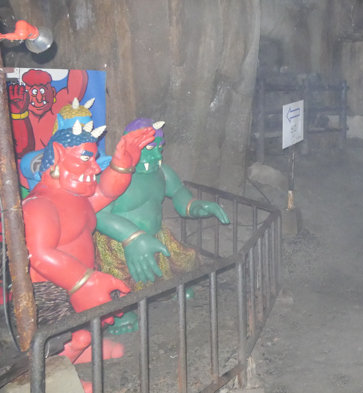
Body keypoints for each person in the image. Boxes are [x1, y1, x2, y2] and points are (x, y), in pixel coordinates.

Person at [22, 120, 155, 363]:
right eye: (86, 158)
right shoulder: (39, 205)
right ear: (59, 155)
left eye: (94, 159)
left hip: (81, 284)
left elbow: (105, 193)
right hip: (52, 291)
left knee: (89, 328)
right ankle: (54, 369)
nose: (94, 167)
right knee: (75, 336)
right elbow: (39, 254)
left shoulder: (74, 197)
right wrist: (84, 282)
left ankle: (79, 346)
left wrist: (122, 165)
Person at [94, 118, 229, 334]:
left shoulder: (162, 172)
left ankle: (169, 289)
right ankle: (119, 313)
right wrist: (132, 238)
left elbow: (179, 194)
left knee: (184, 260)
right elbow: (97, 214)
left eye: (159, 148)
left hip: (157, 236)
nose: (157, 156)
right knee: (118, 279)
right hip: (119, 242)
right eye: (149, 149)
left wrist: (196, 206)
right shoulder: (114, 177)